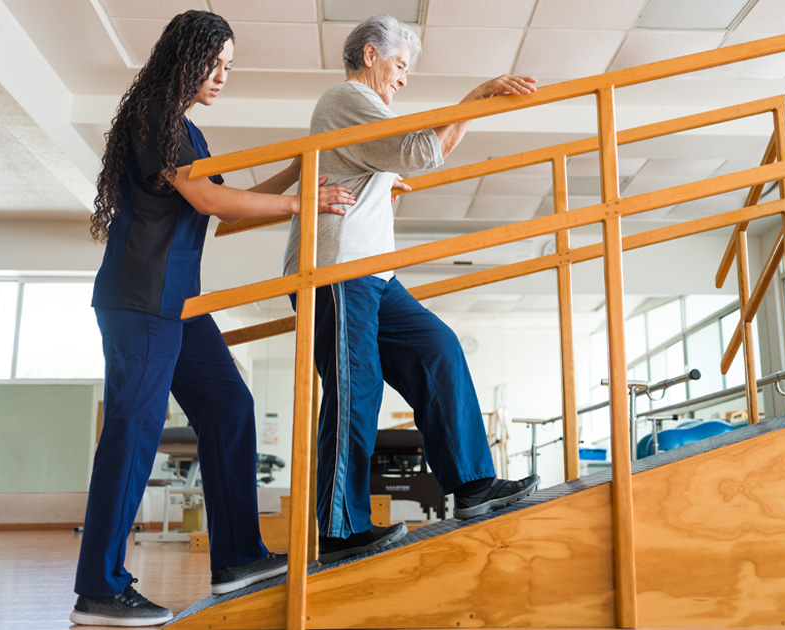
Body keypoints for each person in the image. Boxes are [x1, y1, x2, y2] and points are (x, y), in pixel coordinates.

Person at [74, 11, 355, 627]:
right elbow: (207, 198)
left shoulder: (186, 132)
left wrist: (302, 175)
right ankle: (99, 588)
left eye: (230, 65)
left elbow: (227, 212)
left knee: (230, 405)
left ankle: (237, 556)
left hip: (180, 307)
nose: (224, 75)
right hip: (140, 303)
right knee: (134, 432)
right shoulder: (154, 115)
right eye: (217, 62)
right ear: (187, 57)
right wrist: (300, 199)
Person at [282, 14, 543, 564]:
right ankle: (339, 528)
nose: (403, 78)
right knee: (358, 392)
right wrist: (477, 96)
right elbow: (425, 150)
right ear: (371, 56)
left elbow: (399, 156)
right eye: (400, 65)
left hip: (375, 274)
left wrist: (382, 183)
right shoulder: (346, 96)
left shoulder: (367, 112)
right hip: (335, 272)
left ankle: (471, 485)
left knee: (437, 349)